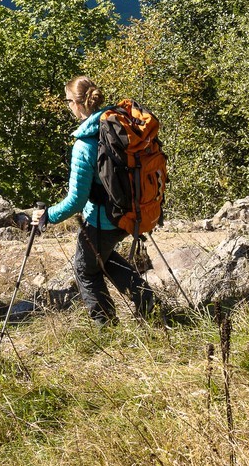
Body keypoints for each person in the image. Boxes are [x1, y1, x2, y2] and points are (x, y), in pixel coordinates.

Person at [32, 75, 161, 326]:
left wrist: (48, 215)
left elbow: (76, 201)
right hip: (128, 213)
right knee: (104, 257)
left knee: (85, 269)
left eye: (68, 101)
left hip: (103, 221)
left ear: (79, 104)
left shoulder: (84, 145)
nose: (68, 106)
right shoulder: (117, 126)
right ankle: (147, 301)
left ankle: (106, 326)